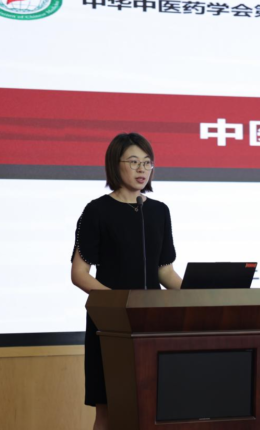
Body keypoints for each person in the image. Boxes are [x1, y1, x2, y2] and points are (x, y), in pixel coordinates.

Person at [70, 132, 183, 430]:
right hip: (111, 323)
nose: (142, 169)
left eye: (147, 162)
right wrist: (120, 303)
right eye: (133, 162)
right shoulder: (97, 211)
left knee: (153, 410)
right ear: (114, 164)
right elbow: (79, 274)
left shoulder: (159, 211)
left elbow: (164, 272)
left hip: (152, 321)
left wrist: (200, 294)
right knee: (109, 412)